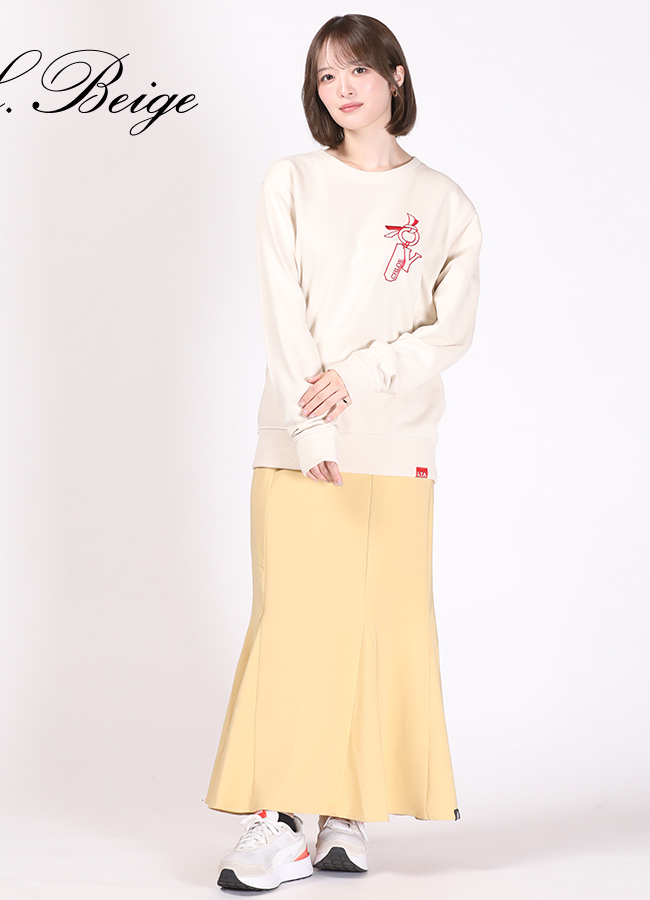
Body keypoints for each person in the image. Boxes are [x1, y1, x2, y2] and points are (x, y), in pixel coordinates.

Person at [204, 13, 482, 891]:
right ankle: (279, 818)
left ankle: (345, 813)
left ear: (395, 75)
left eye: (358, 69)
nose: (343, 88)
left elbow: (449, 333)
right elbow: (284, 313)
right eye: (326, 76)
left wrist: (360, 377)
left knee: (378, 630)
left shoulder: (444, 202)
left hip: (398, 444)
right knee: (294, 627)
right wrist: (311, 426)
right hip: (300, 443)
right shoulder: (291, 181)